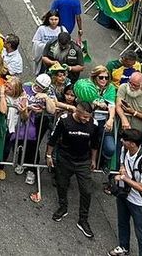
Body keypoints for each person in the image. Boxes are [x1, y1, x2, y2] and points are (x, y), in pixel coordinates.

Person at [47, 101, 101, 240]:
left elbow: (95, 144)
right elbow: (53, 139)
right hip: (65, 158)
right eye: (84, 117)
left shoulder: (93, 124)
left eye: (88, 117)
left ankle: (83, 219)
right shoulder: (65, 120)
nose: (86, 120)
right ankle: (63, 207)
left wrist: (94, 160)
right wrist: (48, 155)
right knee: (62, 184)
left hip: (83, 161)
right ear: (77, 112)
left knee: (86, 191)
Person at [109, 128, 142, 256]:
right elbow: (123, 162)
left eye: (124, 140)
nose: (122, 141)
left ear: (133, 144)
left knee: (141, 232)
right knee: (122, 222)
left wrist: (124, 178)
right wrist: (122, 169)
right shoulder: (125, 150)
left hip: (138, 201)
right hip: (124, 194)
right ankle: (123, 247)